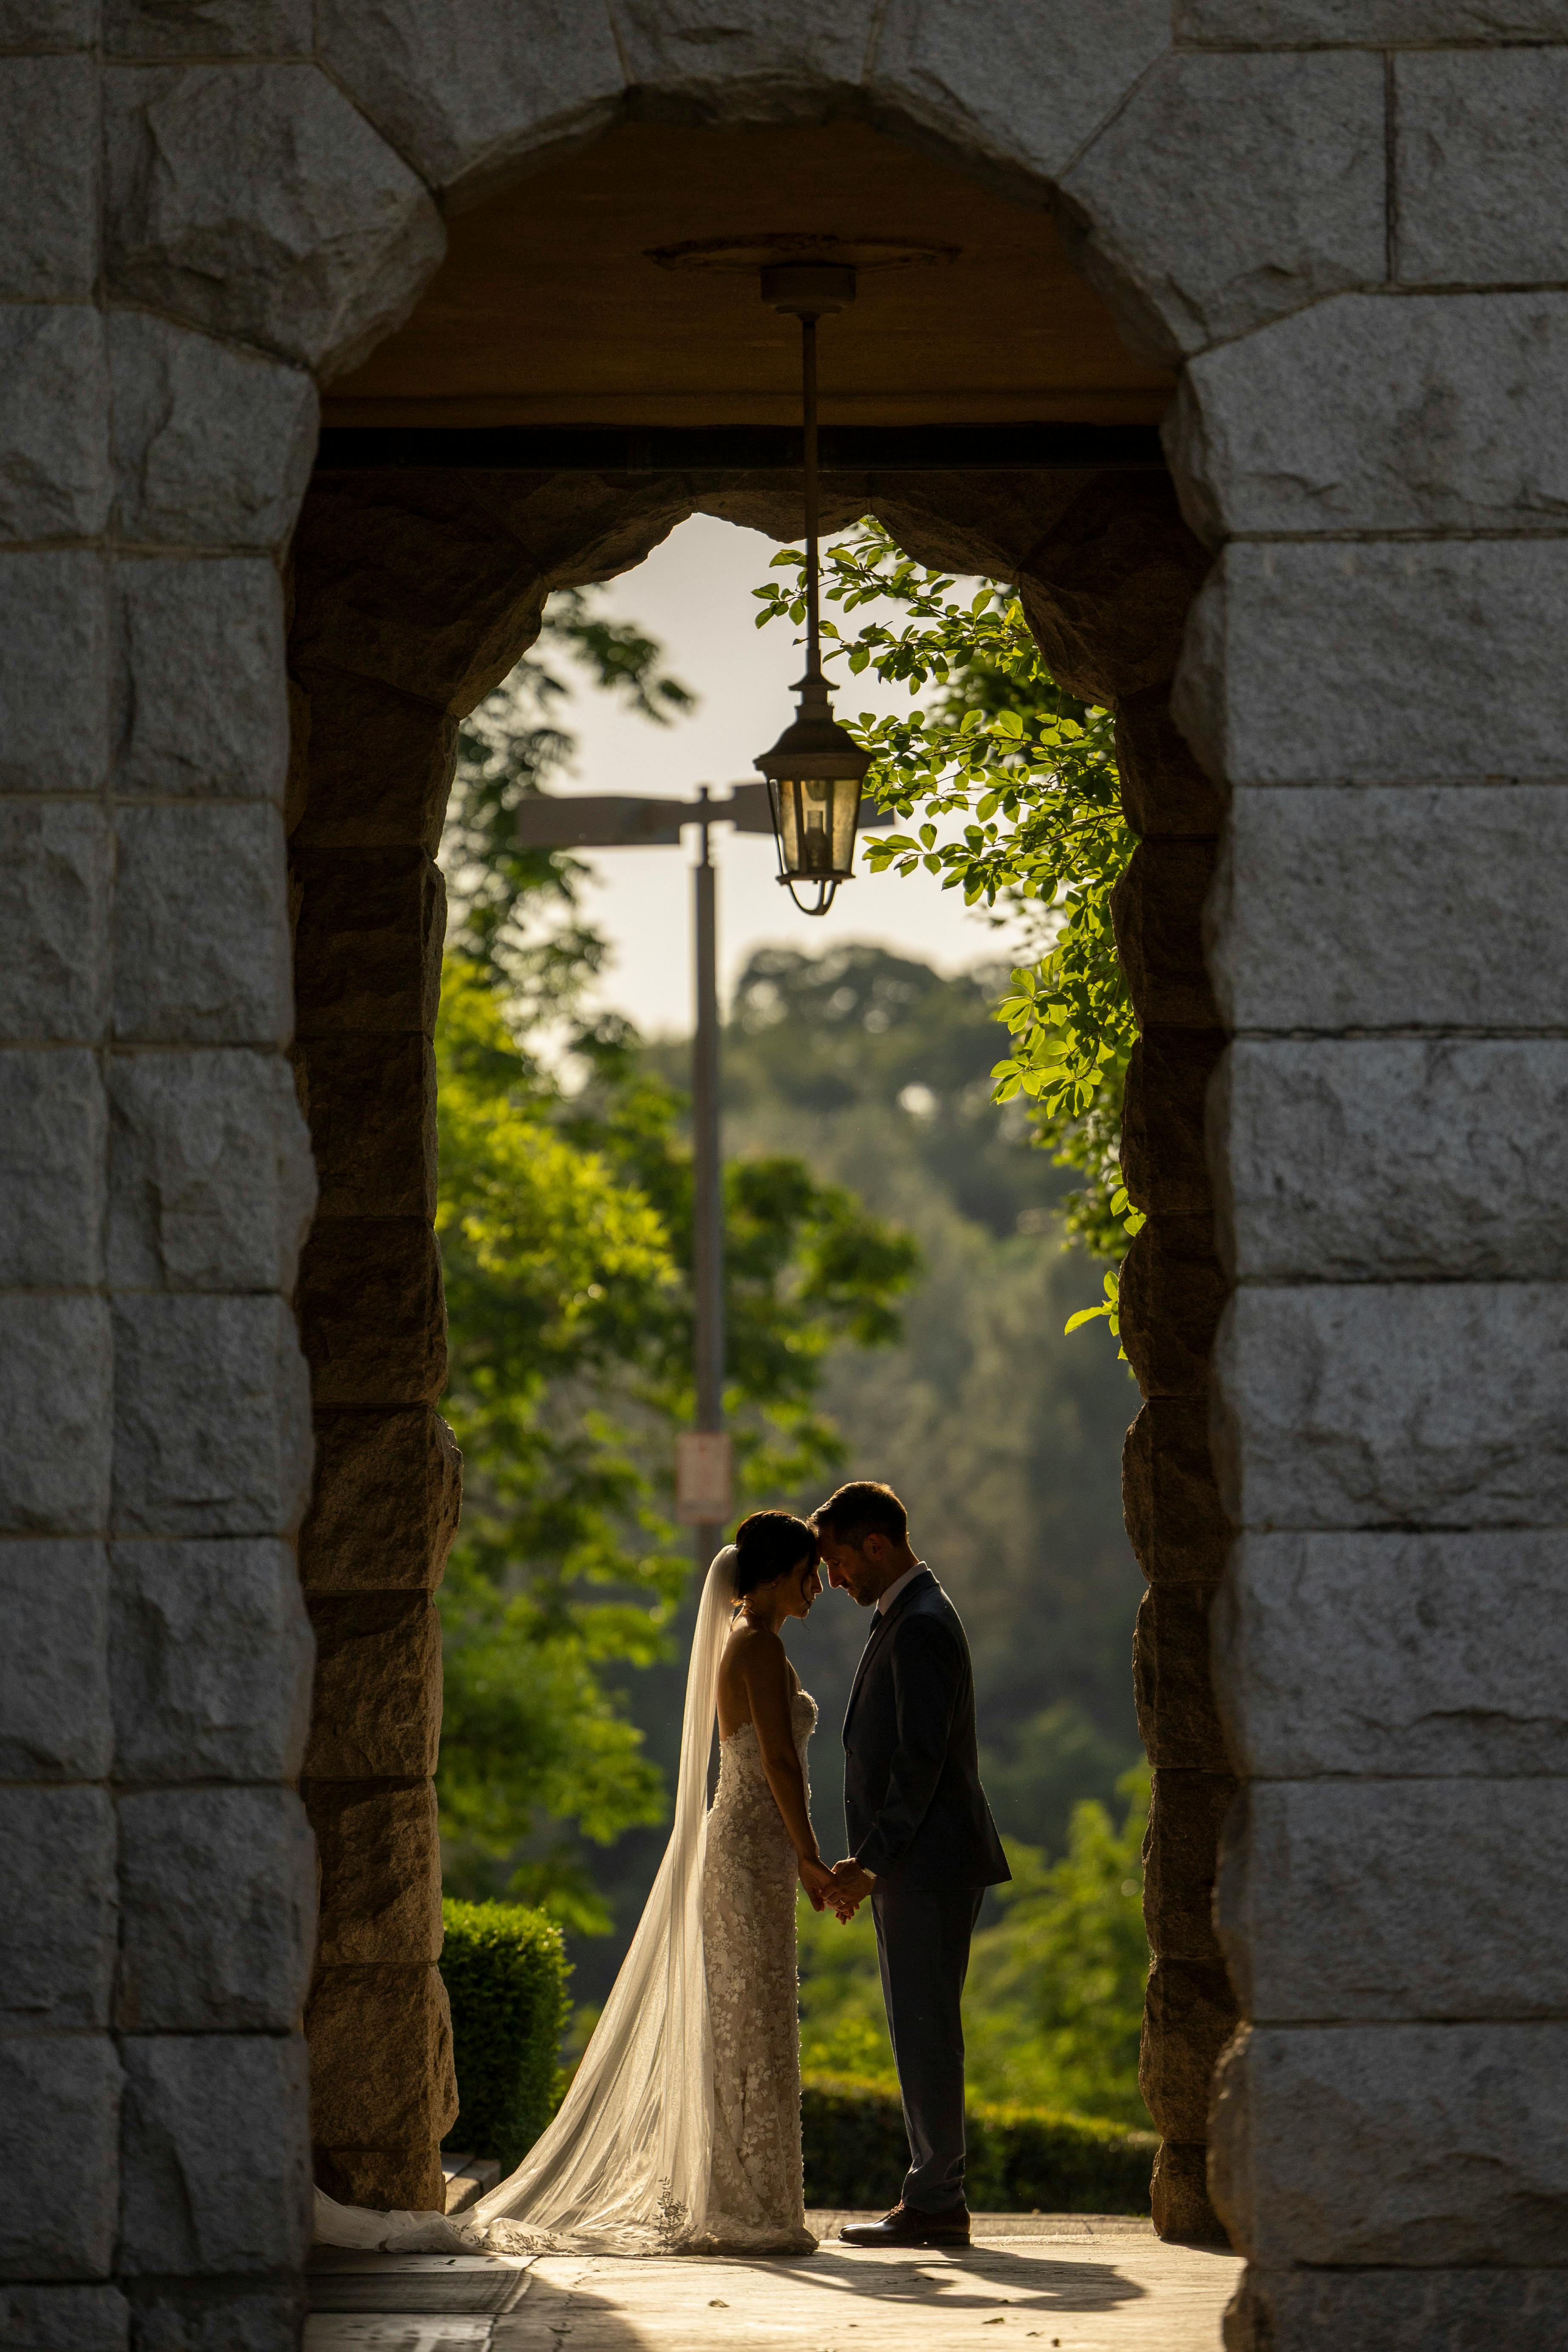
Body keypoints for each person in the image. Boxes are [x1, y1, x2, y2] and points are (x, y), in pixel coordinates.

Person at [313, 1511, 842, 2258]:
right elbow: (779, 1762)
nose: (816, 1587)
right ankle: (749, 2202)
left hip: (755, 1848)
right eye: (808, 1574)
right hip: (751, 1850)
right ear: (777, 1573)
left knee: (750, 2015)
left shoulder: (748, 1641)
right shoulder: (757, 1645)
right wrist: (811, 1855)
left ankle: (749, 2198)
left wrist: (796, 1855)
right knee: (748, 2016)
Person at [812, 1480, 1009, 2249]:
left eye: (837, 1562)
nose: (833, 1579)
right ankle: (932, 2193)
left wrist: (871, 1862)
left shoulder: (922, 1621)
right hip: (919, 1863)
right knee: (917, 2025)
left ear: (875, 1544)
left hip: (926, 1864)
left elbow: (919, 1762)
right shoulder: (909, 1612)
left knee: (924, 2029)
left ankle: (935, 2200)